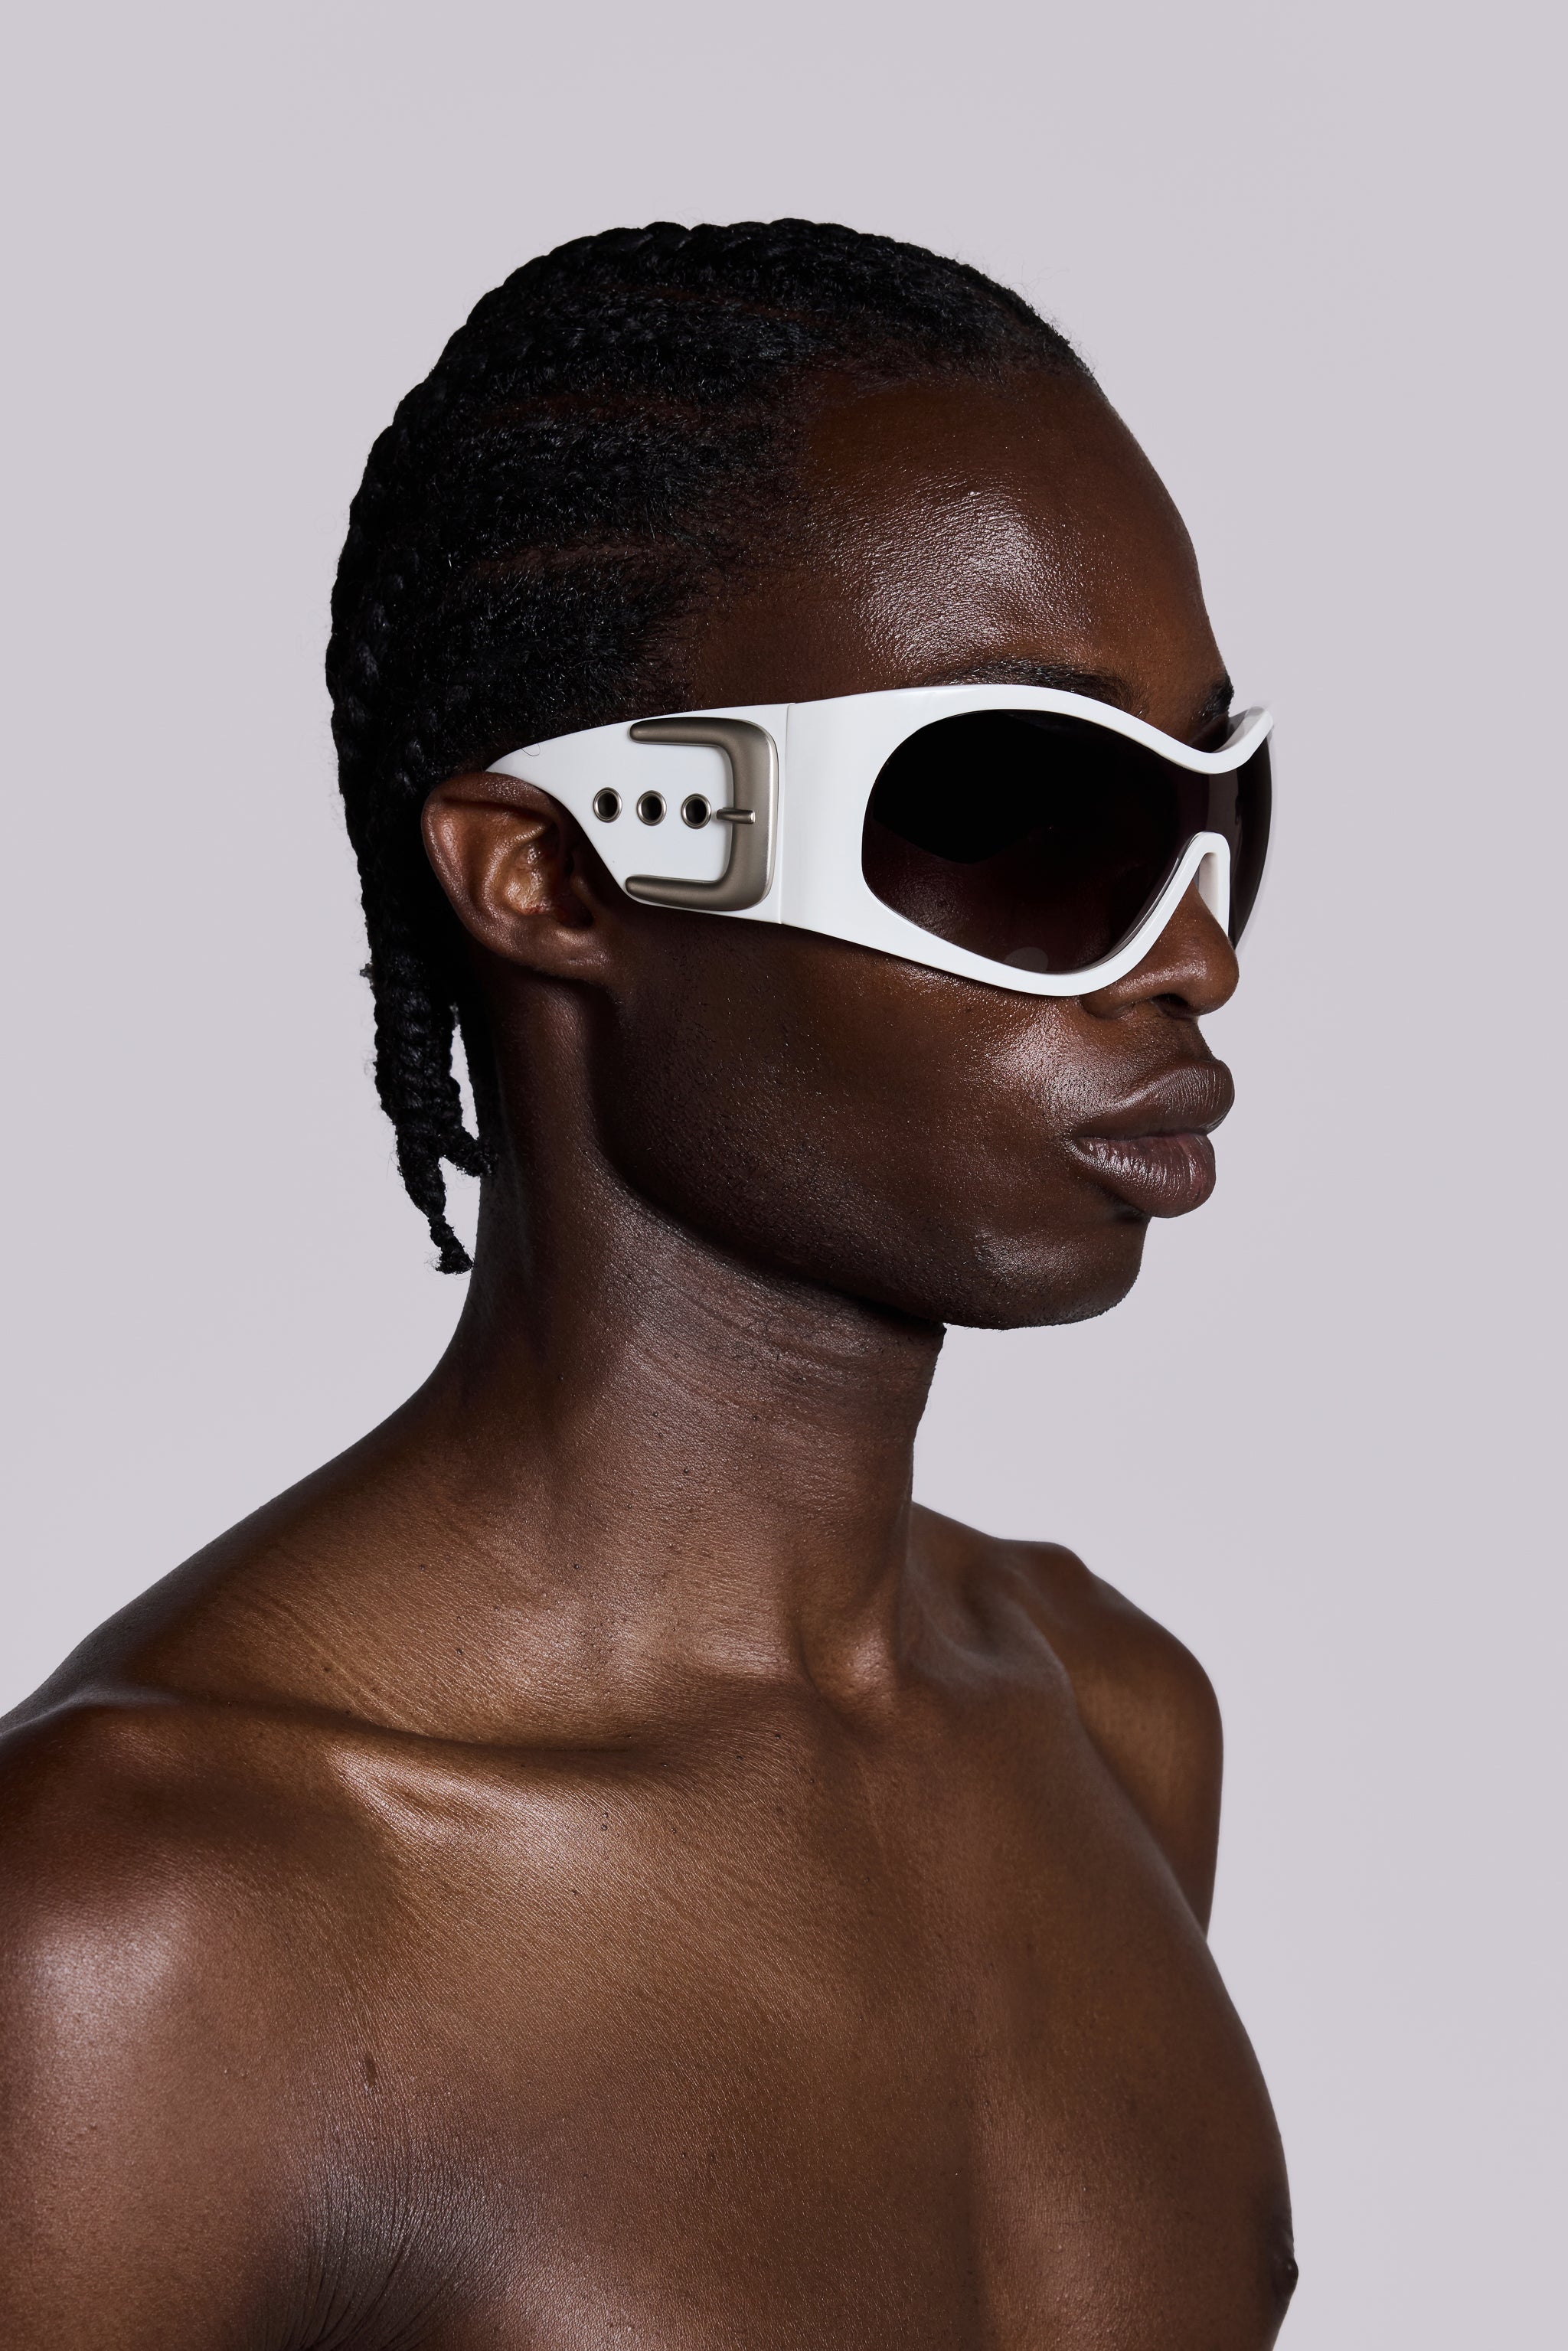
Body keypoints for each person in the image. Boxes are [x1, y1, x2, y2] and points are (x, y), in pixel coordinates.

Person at [0, 221, 1296, 2346]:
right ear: (560, 873)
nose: (1198, 954)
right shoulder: (133, 1930)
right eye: (1024, 810)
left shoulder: (1117, 1722)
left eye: (1222, 804)